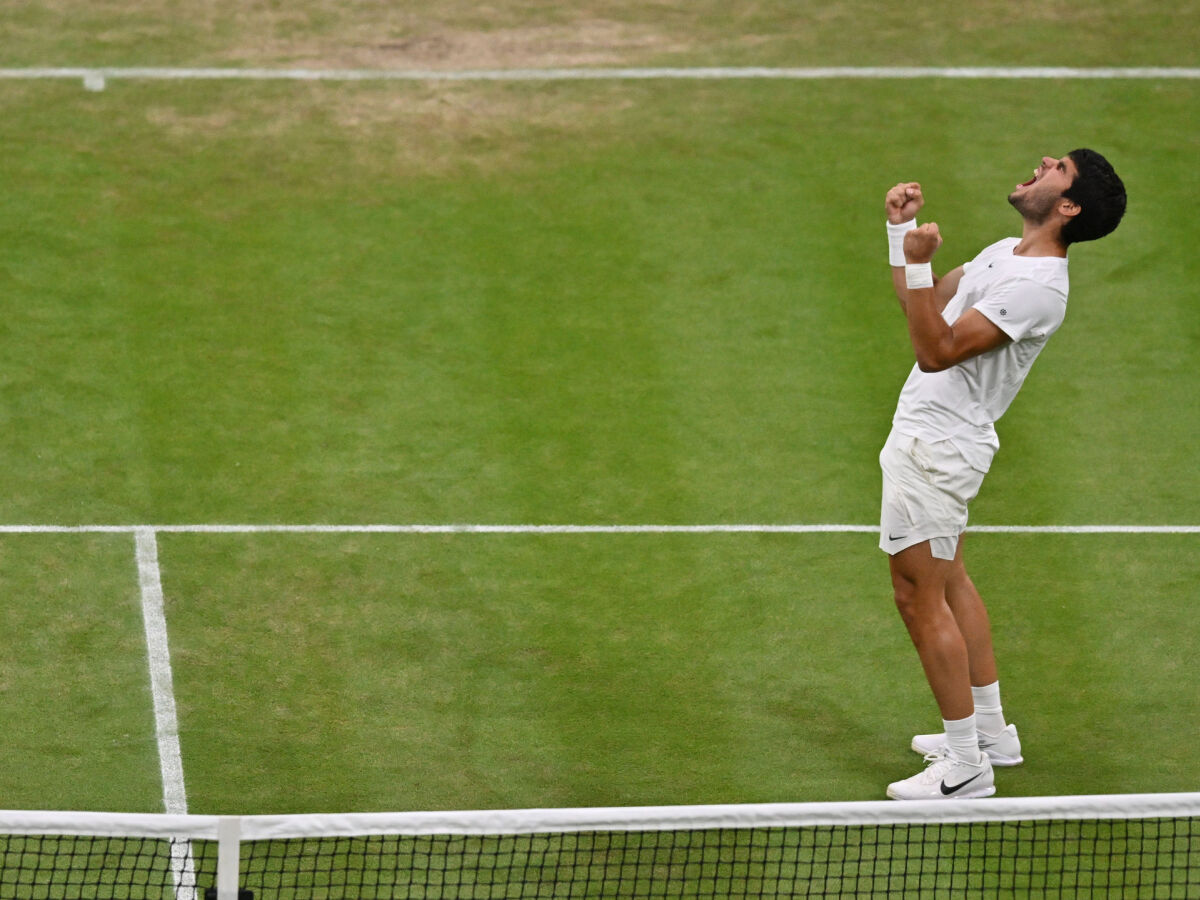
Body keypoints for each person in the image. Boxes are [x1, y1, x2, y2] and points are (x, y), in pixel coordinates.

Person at [880, 150, 1126, 800]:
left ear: (1067, 206)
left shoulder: (1037, 287)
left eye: (1061, 168)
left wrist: (922, 255)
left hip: (938, 448)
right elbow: (922, 305)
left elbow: (935, 351)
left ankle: (965, 768)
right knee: (950, 577)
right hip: (933, 437)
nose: (1045, 161)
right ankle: (991, 733)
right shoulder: (1003, 254)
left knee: (917, 595)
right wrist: (901, 239)